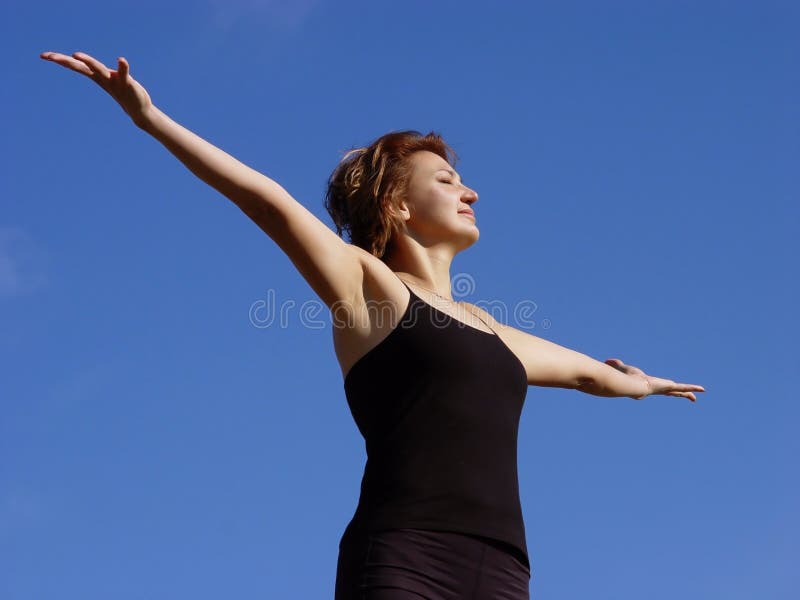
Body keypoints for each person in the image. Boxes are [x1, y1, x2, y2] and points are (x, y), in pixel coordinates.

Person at [40, 51, 706, 599]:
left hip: (505, 571)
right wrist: (151, 119)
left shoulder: (495, 333)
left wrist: (640, 385)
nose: (470, 192)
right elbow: (268, 202)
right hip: (406, 557)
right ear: (398, 204)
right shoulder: (373, 288)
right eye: (447, 180)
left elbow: (589, 372)